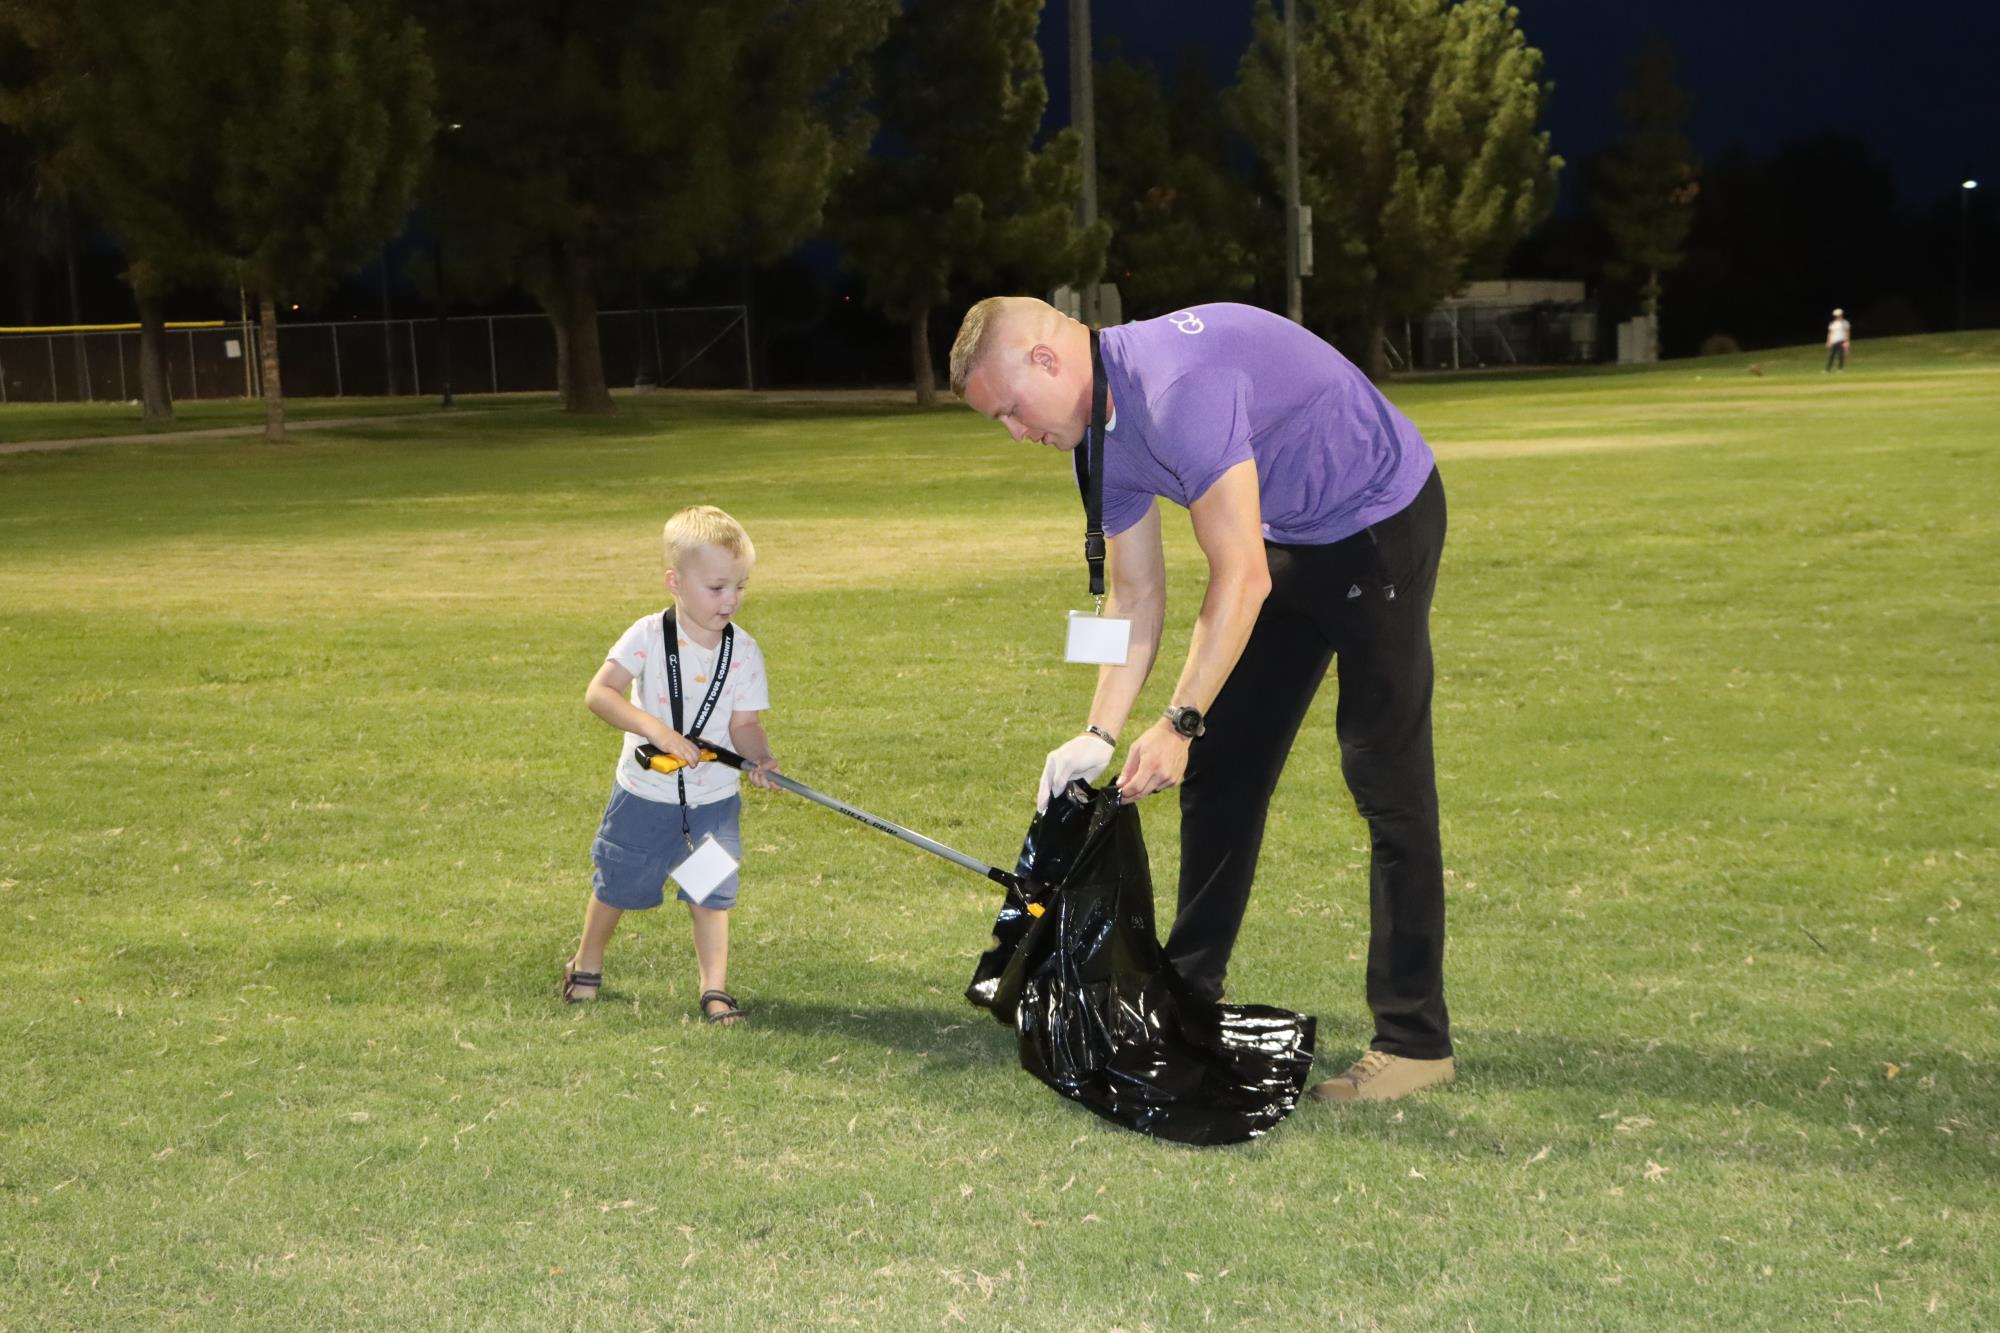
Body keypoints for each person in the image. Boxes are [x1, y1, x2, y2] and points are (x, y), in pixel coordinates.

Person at [949, 298, 1453, 1102]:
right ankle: (1190, 988)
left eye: (1011, 410)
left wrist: (1178, 718)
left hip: (1378, 521)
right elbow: (1133, 594)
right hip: (1291, 537)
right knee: (1224, 765)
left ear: (1046, 361)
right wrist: (1099, 731)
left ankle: (1416, 1038)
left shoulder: (1176, 389)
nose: (1015, 433)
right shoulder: (1095, 440)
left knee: (1383, 776)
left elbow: (1241, 576)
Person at [561, 504, 780, 1023]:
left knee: (712, 893)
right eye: (717, 587)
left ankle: (715, 989)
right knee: (618, 883)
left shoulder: (744, 651)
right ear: (675, 582)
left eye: (740, 587)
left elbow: (743, 724)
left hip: (713, 802)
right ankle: (586, 963)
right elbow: (600, 694)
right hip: (644, 796)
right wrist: (656, 729)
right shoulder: (646, 636)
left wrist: (760, 757)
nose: (731, 601)